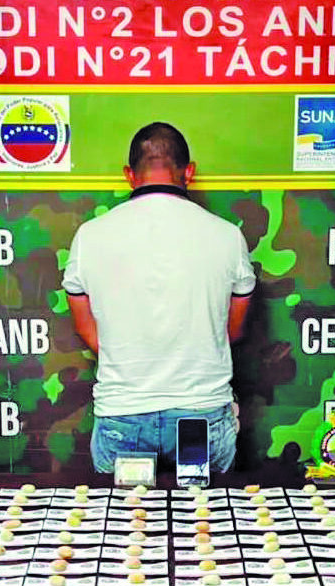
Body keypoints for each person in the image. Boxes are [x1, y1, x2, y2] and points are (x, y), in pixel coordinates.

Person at [62, 122, 255, 472]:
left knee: (126, 511)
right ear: (189, 172)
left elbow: (86, 328)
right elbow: (233, 331)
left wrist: (132, 357)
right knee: (205, 510)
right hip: (202, 413)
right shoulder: (228, 236)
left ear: (129, 175)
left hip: (123, 414)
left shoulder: (89, 237)